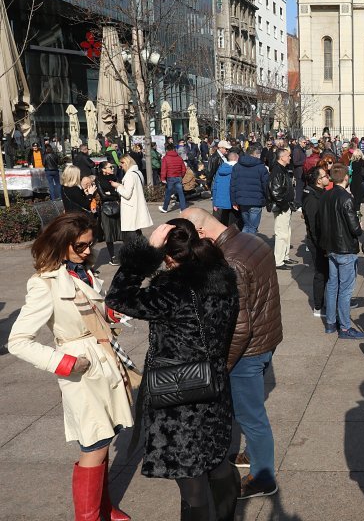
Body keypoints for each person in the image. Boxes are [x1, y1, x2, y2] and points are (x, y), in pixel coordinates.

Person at [105, 220, 239, 520]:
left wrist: (144, 254)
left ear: (167, 256)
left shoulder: (171, 289)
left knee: (191, 481)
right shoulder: (223, 278)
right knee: (217, 463)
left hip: (179, 396)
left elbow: (117, 298)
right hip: (214, 386)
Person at [8, 212, 135, 520]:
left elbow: (92, 311)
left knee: (106, 437)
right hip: (82, 368)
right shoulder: (44, 283)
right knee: (94, 442)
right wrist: (65, 362)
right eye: (80, 246)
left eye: (90, 244)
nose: (88, 251)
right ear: (61, 244)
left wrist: (111, 315)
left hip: (104, 359)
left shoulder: (83, 272)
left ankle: (105, 508)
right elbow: (18, 340)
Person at [181, 207, 283, 499]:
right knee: (252, 412)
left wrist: (221, 366)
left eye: (190, 239)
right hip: (266, 340)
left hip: (248, 353)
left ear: (201, 233)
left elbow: (240, 327)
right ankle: (253, 455)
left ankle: (264, 477)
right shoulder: (251, 240)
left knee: (251, 416)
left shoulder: (231, 261)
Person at [319, 163, 364, 339]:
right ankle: (344, 327)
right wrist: (359, 227)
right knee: (345, 290)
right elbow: (355, 229)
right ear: (346, 178)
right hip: (344, 248)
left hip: (331, 246)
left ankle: (331, 322)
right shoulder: (346, 198)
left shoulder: (326, 195)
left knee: (332, 285)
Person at [303, 167, 330, 317]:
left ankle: (329, 301)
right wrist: (322, 245)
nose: (328, 177)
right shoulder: (312, 197)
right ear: (319, 180)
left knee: (327, 273)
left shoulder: (319, 193)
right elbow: (314, 226)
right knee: (321, 273)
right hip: (318, 242)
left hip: (322, 240)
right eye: (325, 176)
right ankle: (318, 306)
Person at [110, 154, 153, 243]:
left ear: (125, 163)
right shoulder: (138, 173)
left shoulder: (130, 175)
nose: (121, 167)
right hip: (136, 205)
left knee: (131, 235)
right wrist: (121, 186)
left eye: (121, 164)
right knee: (137, 232)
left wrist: (117, 186)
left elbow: (127, 194)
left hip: (130, 208)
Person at [230, 144, 270, 235]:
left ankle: (243, 245)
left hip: (242, 200)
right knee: (252, 227)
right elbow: (266, 185)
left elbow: (233, 185)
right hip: (256, 200)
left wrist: (234, 201)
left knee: (247, 225)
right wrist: (267, 199)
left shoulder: (237, 166)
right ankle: (249, 247)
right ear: (255, 154)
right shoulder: (261, 167)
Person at [267, 147, 297, 268]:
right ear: (282, 157)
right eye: (288, 155)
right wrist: (284, 204)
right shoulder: (277, 170)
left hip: (285, 206)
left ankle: (285, 256)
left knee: (287, 232)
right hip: (281, 207)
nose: (290, 157)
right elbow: (275, 192)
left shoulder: (282, 169)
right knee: (281, 233)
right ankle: (278, 261)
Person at [95, 161, 123, 265]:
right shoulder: (98, 179)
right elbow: (103, 196)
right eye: (110, 167)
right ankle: (113, 257)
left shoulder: (114, 177)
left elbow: (120, 191)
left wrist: (112, 193)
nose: (112, 169)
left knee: (120, 231)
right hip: (106, 208)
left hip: (116, 207)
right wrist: (113, 194)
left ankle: (123, 254)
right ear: (103, 169)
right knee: (108, 232)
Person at [211, 147, 240, 228]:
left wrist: (214, 203)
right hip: (233, 201)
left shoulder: (221, 169)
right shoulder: (237, 169)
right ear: (237, 159)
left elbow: (215, 186)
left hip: (221, 201)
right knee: (234, 224)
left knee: (223, 223)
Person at [159, 143, 188, 213]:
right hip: (178, 177)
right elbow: (184, 169)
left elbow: (164, 169)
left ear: (167, 150)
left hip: (170, 177)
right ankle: (183, 209)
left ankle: (165, 208)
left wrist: (163, 178)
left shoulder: (165, 158)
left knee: (168, 193)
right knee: (181, 193)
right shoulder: (179, 158)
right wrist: (181, 175)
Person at [291, 136, 308, 205]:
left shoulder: (302, 149)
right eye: (304, 142)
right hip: (298, 172)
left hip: (302, 171)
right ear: (300, 142)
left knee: (302, 187)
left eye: (306, 142)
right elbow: (295, 162)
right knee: (299, 187)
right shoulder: (297, 150)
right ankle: (298, 202)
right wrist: (304, 162)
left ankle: (300, 201)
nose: (305, 144)